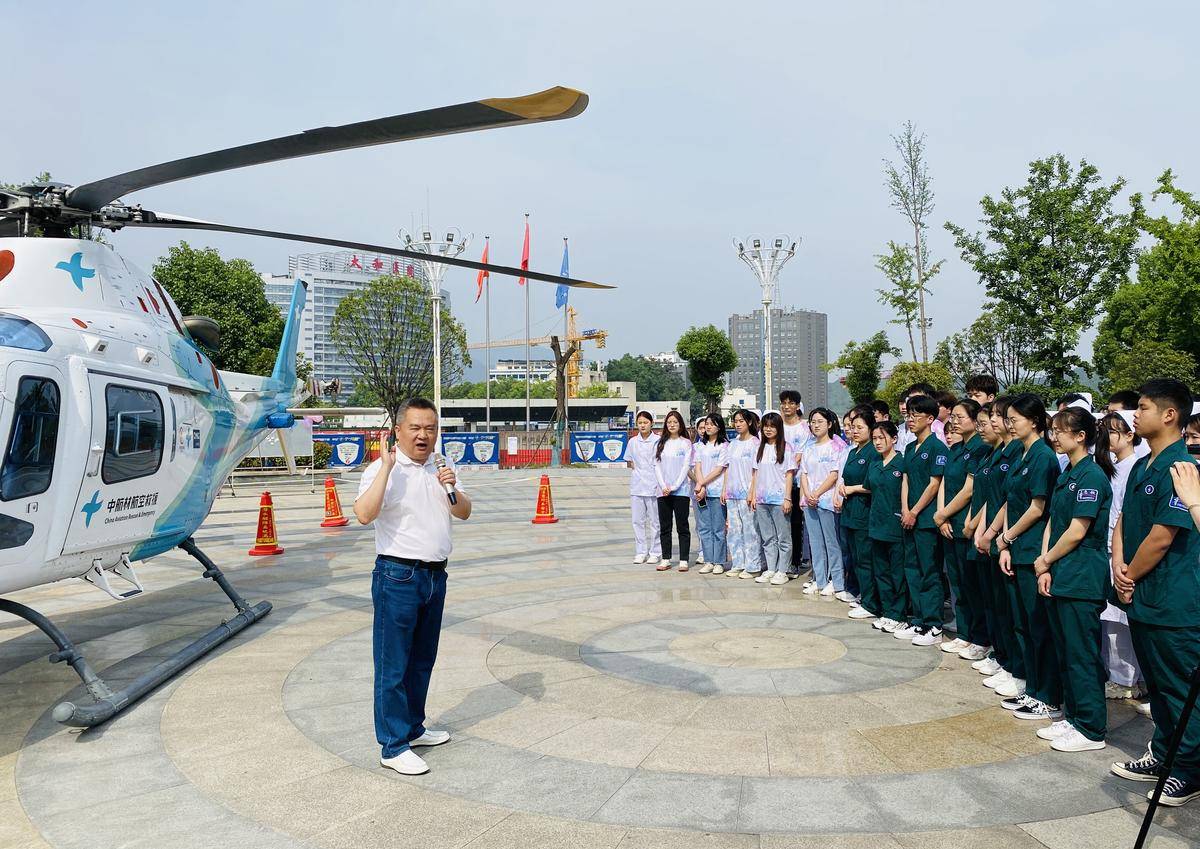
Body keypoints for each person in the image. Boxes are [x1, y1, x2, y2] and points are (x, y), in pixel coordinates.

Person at [354, 397, 472, 776]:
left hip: (435, 576)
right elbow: (363, 514)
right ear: (399, 430)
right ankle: (392, 744)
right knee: (393, 664)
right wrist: (388, 469)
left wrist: (452, 487)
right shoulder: (382, 469)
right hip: (397, 576)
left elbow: (464, 511)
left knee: (422, 660)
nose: (424, 435)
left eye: (431, 429)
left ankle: (413, 727)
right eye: (416, 428)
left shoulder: (442, 467)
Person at [1110, 379, 1200, 807]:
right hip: (1143, 593)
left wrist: (1129, 573)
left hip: (1173, 600)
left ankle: (1188, 769)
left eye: (1142, 408)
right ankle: (1164, 753)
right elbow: (1126, 520)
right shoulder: (1144, 464)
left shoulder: (1182, 468)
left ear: (1169, 415)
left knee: (1181, 688)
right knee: (1160, 687)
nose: (1134, 415)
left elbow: (1164, 536)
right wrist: (1119, 565)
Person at [1033, 406, 1115, 752]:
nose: (1055, 436)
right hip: (1061, 571)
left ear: (1080, 436)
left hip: (1081, 573)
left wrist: (1046, 559)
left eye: (1060, 431)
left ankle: (1091, 727)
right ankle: (1074, 716)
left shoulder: (1092, 477)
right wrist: (1045, 563)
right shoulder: (1068, 473)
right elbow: (1054, 521)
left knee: (1081, 653)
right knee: (1066, 650)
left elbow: (1077, 531)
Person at [993, 394, 1063, 720]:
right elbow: (1011, 500)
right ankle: (1032, 688)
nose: (1010, 424)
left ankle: (1046, 694)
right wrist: (1005, 545)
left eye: (1015, 418)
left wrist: (1007, 537)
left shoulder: (1043, 458)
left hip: (1032, 548)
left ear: (1034, 421)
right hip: (1016, 548)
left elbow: (1038, 509)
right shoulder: (1023, 455)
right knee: (1022, 625)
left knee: (1038, 626)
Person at [1099, 411, 1147, 704]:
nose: (1108, 438)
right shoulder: (1114, 468)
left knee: (1119, 626)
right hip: (1109, 549)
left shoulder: (1132, 468)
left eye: (1114, 432)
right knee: (1112, 622)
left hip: (1120, 552)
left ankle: (1125, 681)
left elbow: (1123, 516)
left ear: (1130, 435)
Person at [896, 394, 950, 645]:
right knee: (912, 568)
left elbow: (934, 484)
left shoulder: (938, 448)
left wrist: (915, 511)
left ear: (930, 419)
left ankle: (934, 623)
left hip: (925, 519)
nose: (911, 419)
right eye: (909, 414)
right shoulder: (909, 447)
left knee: (930, 571)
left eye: (916, 415)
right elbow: (905, 479)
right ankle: (918, 619)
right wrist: (906, 509)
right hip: (908, 517)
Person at [934, 399, 984, 657]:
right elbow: (945, 481)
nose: (954, 421)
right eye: (952, 416)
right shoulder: (956, 448)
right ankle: (964, 633)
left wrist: (944, 513)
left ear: (975, 420)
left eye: (960, 417)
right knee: (957, 583)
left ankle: (978, 637)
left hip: (966, 523)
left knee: (971, 585)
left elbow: (969, 490)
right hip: (949, 523)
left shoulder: (978, 448)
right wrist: (941, 517)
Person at [962, 403, 1000, 665]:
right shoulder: (988, 454)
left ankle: (1006, 660)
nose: (987, 426)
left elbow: (1004, 501)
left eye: (988, 421)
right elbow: (981, 495)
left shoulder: (1017, 456)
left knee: (1002, 606)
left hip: (999, 538)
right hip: (982, 533)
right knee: (985, 596)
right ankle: (998, 653)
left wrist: (982, 528)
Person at [800, 408, 850, 599]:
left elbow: (834, 474)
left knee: (832, 543)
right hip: (810, 501)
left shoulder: (836, 447)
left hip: (827, 500)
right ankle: (819, 580)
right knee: (815, 542)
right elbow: (803, 473)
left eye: (820, 421)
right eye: (812, 422)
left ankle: (836, 582)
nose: (815, 425)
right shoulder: (809, 447)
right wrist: (807, 494)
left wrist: (817, 493)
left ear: (829, 424)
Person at [866, 420, 908, 633]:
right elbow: (868, 488)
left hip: (896, 524)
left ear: (894, 439)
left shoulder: (902, 463)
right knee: (880, 571)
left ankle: (899, 614)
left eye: (882, 438)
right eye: (874, 439)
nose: (878, 442)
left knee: (897, 572)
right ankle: (886, 611)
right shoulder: (874, 463)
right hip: (876, 524)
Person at [838, 405, 880, 619]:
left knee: (866, 559)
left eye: (860, 427)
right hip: (850, 511)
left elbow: (873, 483)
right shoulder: (853, 451)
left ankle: (872, 602)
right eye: (852, 427)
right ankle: (864, 596)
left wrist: (853, 489)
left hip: (864, 510)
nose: (854, 431)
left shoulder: (874, 451)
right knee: (855, 558)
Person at [750, 411, 797, 585]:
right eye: (766, 426)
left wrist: (787, 498)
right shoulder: (759, 448)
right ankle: (771, 568)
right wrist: (753, 495)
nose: (768, 430)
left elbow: (789, 474)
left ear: (779, 428)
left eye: (772, 426)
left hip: (779, 500)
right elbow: (755, 473)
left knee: (783, 537)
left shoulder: (786, 447)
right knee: (768, 537)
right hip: (762, 499)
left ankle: (783, 570)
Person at [723, 409, 762, 579]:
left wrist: (752, 492)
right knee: (733, 530)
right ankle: (738, 563)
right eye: (736, 421)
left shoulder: (755, 443)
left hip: (747, 494)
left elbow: (756, 471)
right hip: (732, 493)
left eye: (741, 421)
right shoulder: (732, 444)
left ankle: (753, 565)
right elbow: (727, 468)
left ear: (750, 423)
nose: (738, 424)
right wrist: (724, 489)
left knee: (750, 530)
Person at [654, 410, 694, 571]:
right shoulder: (660, 443)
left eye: (675, 422)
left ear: (680, 425)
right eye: (669, 422)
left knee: (682, 525)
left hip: (681, 490)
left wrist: (675, 486)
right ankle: (665, 558)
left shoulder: (685, 443)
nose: (672, 425)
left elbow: (686, 467)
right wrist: (664, 486)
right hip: (662, 491)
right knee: (665, 526)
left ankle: (684, 559)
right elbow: (656, 465)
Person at [779, 390, 812, 578]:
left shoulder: (804, 428)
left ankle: (794, 562)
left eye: (791, 403)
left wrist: (787, 471)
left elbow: (799, 457)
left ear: (798, 406)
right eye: (784, 402)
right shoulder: (777, 426)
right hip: (776, 482)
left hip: (796, 482)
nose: (787, 406)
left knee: (795, 523)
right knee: (779, 524)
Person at [624, 410, 662, 565]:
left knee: (655, 521)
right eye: (640, 423)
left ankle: (655, 552)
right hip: (637, 486)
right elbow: (629, 461)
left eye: (645, 422)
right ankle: (641, 551)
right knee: (637, 521)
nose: (642, 425)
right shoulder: (633, 442)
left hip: (654, 486)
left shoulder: (658, 441)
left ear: (651, 423)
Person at [694, 413, 730, 574]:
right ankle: (708, 560)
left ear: (719, 426)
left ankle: (719, 561)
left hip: (716, 491)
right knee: (704, 528)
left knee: (718, 528)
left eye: (711, 424)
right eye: (706, 424)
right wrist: (700, 486)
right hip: (702, 492)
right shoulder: (700, 446)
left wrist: (702, 483)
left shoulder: (724, 445)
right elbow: (698, 467)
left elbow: (719, 469)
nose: (708, 427)